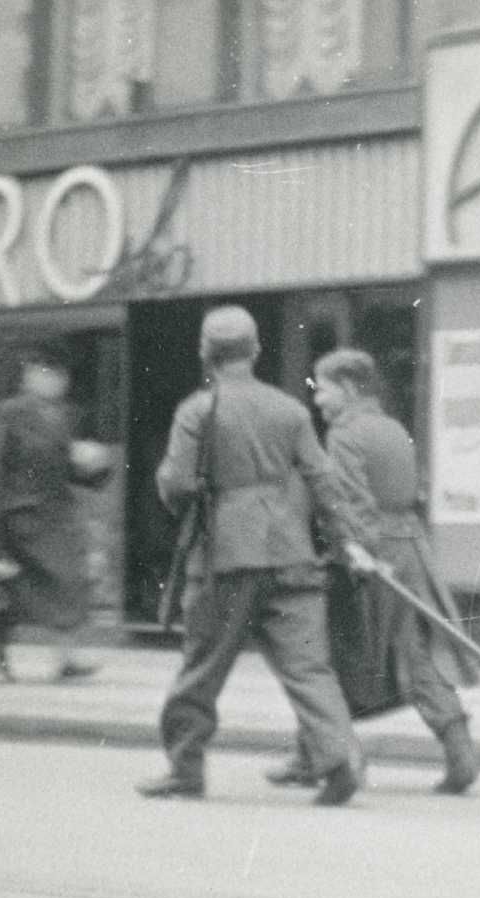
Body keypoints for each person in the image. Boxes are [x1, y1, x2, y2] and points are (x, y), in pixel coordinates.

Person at [136, 306, 375, 805]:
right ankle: (339, 760)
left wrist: (187, 496)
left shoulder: (197, 410)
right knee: (309, 668)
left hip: (226, 557)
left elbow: (176, 484)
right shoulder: (290, 410)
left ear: (206, 354)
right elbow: (324, 482)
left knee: (202, 668)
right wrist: (349, 541)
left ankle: (185, 769)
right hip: (292, 554)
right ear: (256, 351)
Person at [265, 349, 480, 795]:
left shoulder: (344, 435)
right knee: (414, 649)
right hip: (411, 547)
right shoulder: (393, 428)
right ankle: (459, 751)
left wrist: (356, 554)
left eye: (322, 389)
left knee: (331, 653)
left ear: (347, 388)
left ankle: (331, 757)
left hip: (372, 554)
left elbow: (351, 503)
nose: (317, 399)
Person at [0, 340, 110, 684]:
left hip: (56, 517)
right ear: (30, 376)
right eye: (46, 373)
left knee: (71, 579)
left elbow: (72, 470)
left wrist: (95, 465)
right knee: (11, 588)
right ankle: (4, 659)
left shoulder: (65, 415)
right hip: (20, 517)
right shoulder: (7, 413)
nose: (55, 381)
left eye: (60, 375)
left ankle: (65, 659)